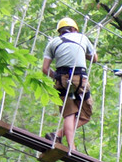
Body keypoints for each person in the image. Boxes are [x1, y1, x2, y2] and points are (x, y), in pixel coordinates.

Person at [41, 17, 98, 152]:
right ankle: (65, 140)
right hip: (79, 79)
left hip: (61, 81)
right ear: (74, 29)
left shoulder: (52, 43)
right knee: (85, 115)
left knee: (69, 114)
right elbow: (94, 59)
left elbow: (45, 69)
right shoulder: (82, 38)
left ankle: (66, 142)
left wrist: (56, 76)